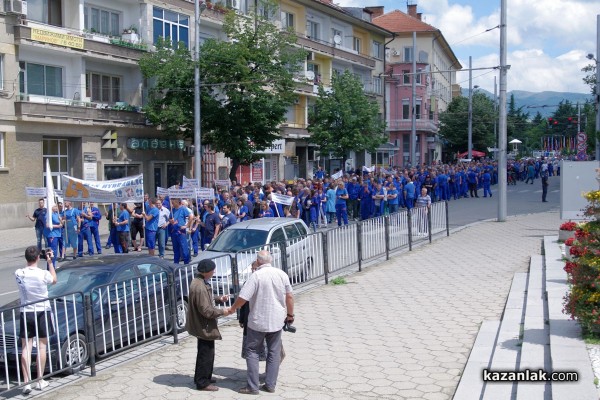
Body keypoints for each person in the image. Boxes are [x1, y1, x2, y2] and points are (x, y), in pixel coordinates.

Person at [228, 250, 294, 395]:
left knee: (252, 351)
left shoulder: (256, 276)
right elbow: (289, 297)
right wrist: (290, 315)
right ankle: (270, 385)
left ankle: (252, 386)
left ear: (258, 262)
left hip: (257, 321)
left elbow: (243, 297)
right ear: (270, 260)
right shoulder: (281, 274)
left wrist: (233, 309)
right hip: (276, 321)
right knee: (274, 352)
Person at [15, 246, 57, 394]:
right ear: (39, 257)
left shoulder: (19, 273)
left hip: (26, 311)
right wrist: (50, 262)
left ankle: (26, 382)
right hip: (42, 310)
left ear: (26, 258)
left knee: (26, 347)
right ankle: (39, 380)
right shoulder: (43, 274)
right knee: (41, 347)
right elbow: (54, 280)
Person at [186, 259, 231, 392]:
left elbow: (207, 299)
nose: (214, 272)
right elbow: (206, 310)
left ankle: (203, 376)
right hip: (203, 325)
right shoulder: (199, 287)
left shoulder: (198, 281)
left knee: (206, 352)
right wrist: (223, 311)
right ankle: (202, 382)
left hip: (202, 324)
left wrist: (218, 299)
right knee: (206, 354)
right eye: (213, 270)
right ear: (206, 272)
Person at [169, 198, 191, 264]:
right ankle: (176, 264)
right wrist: (171, 221)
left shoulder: (183, 209)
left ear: (178, 202)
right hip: (174, 231)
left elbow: (191, 217)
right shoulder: (172, 210)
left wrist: (186, 226)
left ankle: (186, 264)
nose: (172, 203)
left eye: (173, 202)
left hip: (181, 232)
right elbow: (169, 219)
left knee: (184, 249)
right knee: (175, 250)